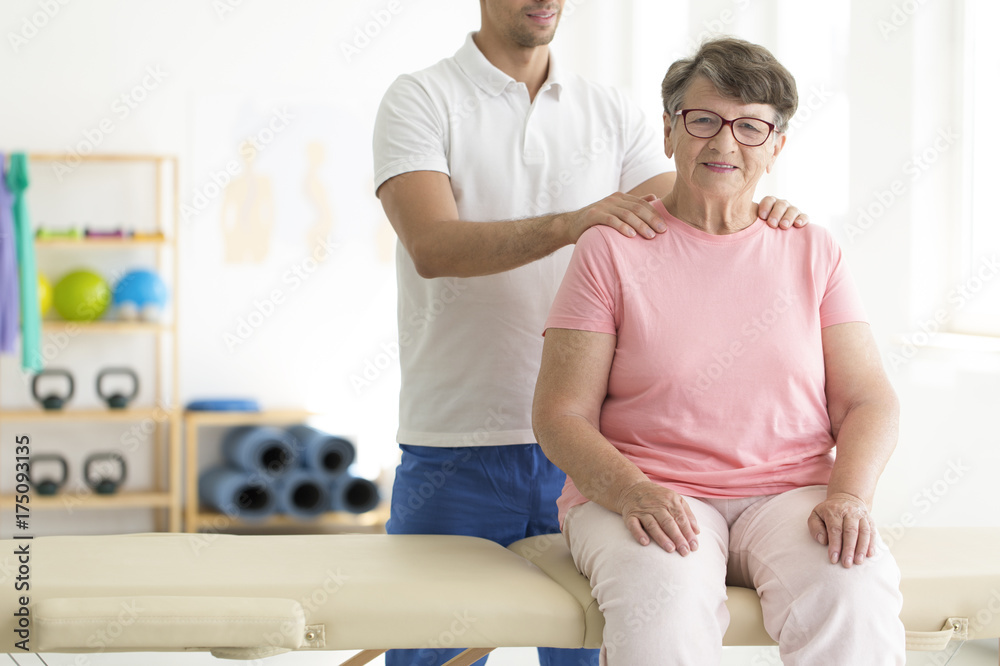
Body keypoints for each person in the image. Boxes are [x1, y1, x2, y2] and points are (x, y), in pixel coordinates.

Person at [373, 3, 808, 664]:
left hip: (594, 450)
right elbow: (432, 245)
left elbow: (690, 218)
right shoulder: (421, 98)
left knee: (591, 650)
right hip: (458, 441)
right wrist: (573, 223)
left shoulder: (611, 110)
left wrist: (759, 210)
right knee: (429, 653)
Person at [532, 37, 907, 665]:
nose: (724, 142)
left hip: (790, 494)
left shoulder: (812, 248)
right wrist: (633, 492)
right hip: (650, 488)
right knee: (665, 605)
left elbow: (868, 399)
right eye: (703, 119)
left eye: (751, 126)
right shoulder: (611, 249)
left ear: (778, 144)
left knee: (853, 591)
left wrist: (848, 496)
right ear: (670, 132)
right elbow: (560, 414)